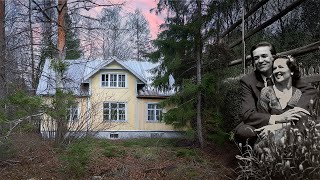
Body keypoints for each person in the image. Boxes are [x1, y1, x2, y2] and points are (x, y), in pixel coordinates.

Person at [234, 42, 317, 148]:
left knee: (305, 123)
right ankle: (253, 156)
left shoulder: (284, 73)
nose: (260, 61)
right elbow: (247, 114)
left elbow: (310, 91)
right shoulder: (248, 81)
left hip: (287, 118)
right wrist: (278, 119)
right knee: (245, 132)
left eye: (264, 56)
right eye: (256, 58)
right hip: (261, 119)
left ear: (273, 57)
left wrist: (295, 113)